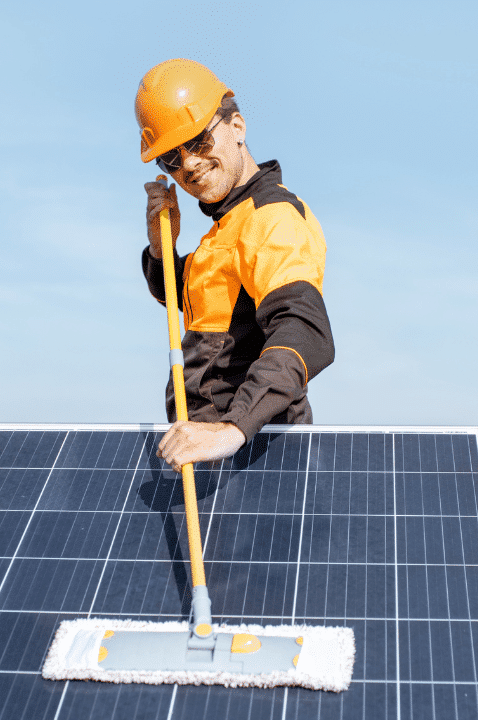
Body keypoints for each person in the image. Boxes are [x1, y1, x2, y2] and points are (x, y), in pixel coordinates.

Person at [135, 59, 335, 473]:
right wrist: (161, 249)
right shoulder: (227, 227)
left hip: (259, 459)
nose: (188, 164)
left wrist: (231, 430)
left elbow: (304, 330)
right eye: (170, 158)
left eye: (198, 141)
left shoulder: (271, 218)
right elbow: (184, 296)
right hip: (214, 457)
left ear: (237, 127)